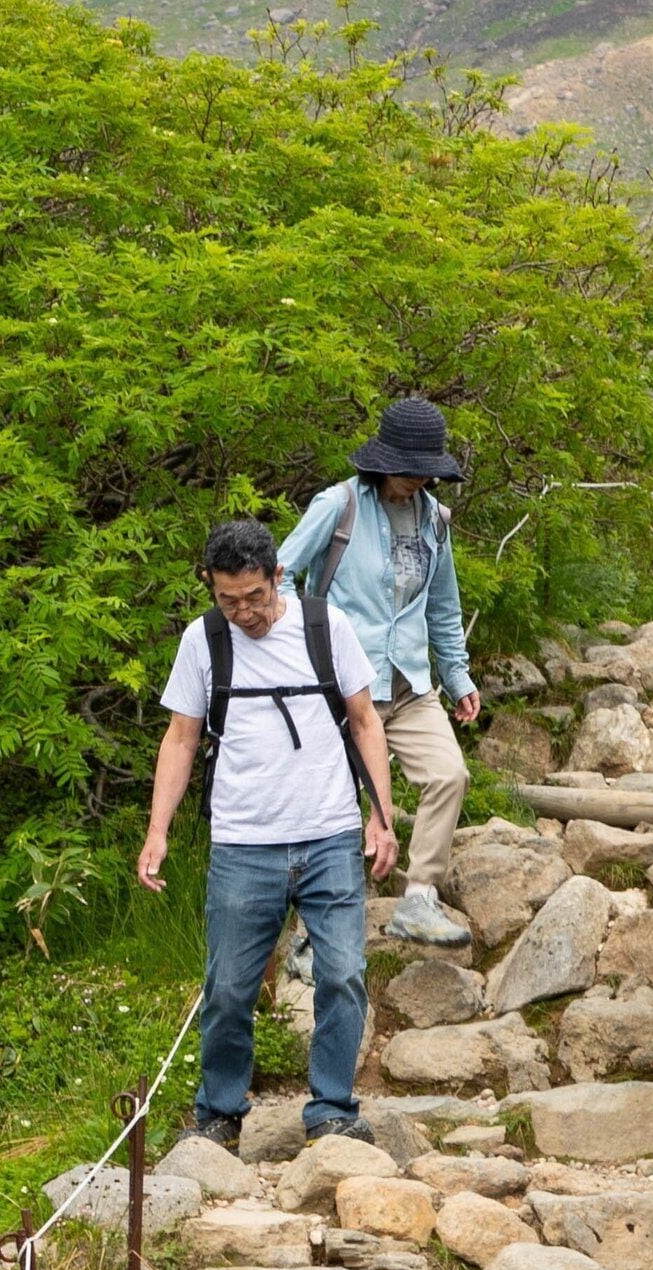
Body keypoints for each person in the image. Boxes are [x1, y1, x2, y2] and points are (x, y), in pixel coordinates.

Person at [135, 518, 400, 1148]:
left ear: (278, 575)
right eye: (228, 599)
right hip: (241, 844)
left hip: (330, 833)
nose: (244, 612)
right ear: (211, 587)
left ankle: (332, 1107)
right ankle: (219, 1113)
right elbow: (180, 737)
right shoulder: (204, 642)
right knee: (227, 988)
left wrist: (381, 817)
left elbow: (364, 722)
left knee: (342, 974)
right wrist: (157, 832)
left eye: (254, 596)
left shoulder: (324, 627)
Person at [278, 396, 481, 947]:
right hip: (342, 686)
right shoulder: (337, 505)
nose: (416, 480)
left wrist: (458, 677)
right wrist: (301, 646)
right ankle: (307, 934)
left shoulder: (435, 520)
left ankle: (419, 900)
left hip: (411, 681)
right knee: (336, 803)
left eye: (424, 470)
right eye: (408, 468)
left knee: (448, 775)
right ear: (382, 460)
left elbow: (442, 605)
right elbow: (280, 576)